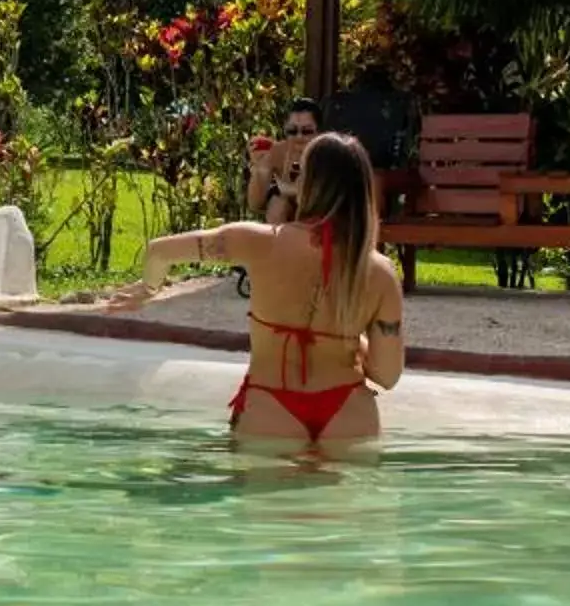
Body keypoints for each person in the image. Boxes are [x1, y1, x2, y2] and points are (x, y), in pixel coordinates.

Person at [114, 132, 405, 445]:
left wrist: (148, 287)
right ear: (364, 191)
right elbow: (387, 376)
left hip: (271, 406)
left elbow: (160, 251)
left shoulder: (258, 241)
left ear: (307, 183)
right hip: (349, 411)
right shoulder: (379, 272)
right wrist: (347, 337)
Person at [244, 98, 324, 225]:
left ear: (319, 133)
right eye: (292, 131)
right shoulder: (278, 151)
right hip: (288, 219)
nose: (299, 137)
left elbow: (320, 198)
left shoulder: (328, 153)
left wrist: (285, 188)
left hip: (320, 214)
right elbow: (254, 204)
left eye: (307, 131)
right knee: (277, 205)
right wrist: (260, 169)